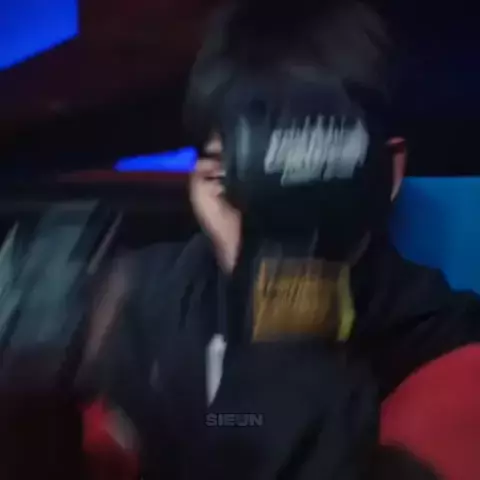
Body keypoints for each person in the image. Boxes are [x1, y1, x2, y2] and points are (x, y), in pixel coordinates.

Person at [89, 0, 480, 478]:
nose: (259, 210)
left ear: (384, 174)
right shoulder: (146, 303)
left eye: (295, 168)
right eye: (228, 177)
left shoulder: (451, 357)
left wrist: (289, 301)